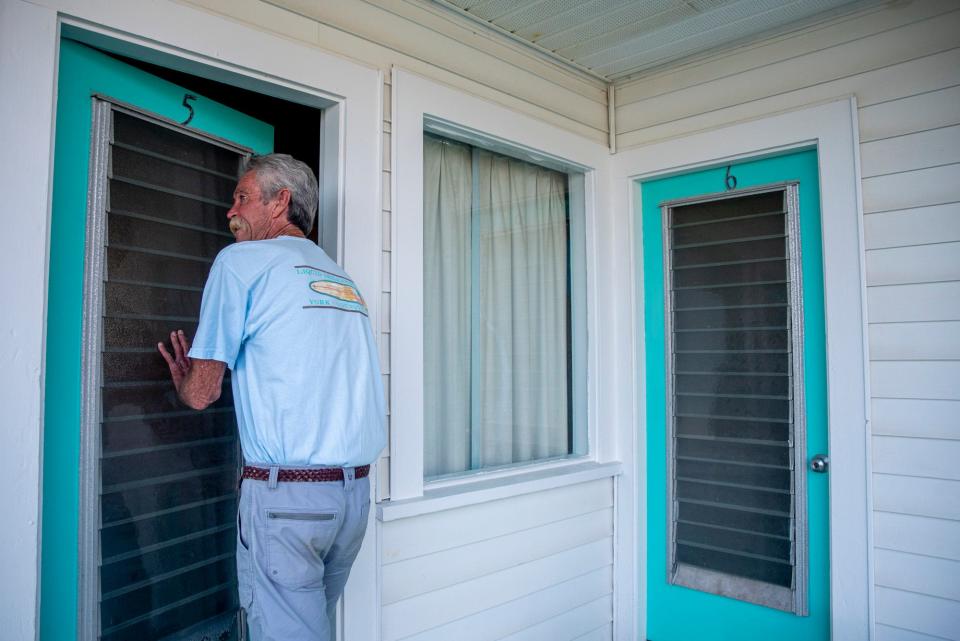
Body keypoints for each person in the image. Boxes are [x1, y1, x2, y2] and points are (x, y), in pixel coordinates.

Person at [158, 153, 386, 641]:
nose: (230, 211)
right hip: (352, 501)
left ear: (280, 201)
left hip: (289, 503)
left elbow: (202, 392)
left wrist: (184, 381)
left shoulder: (241, 261)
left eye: (241, 197)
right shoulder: (340, 279)